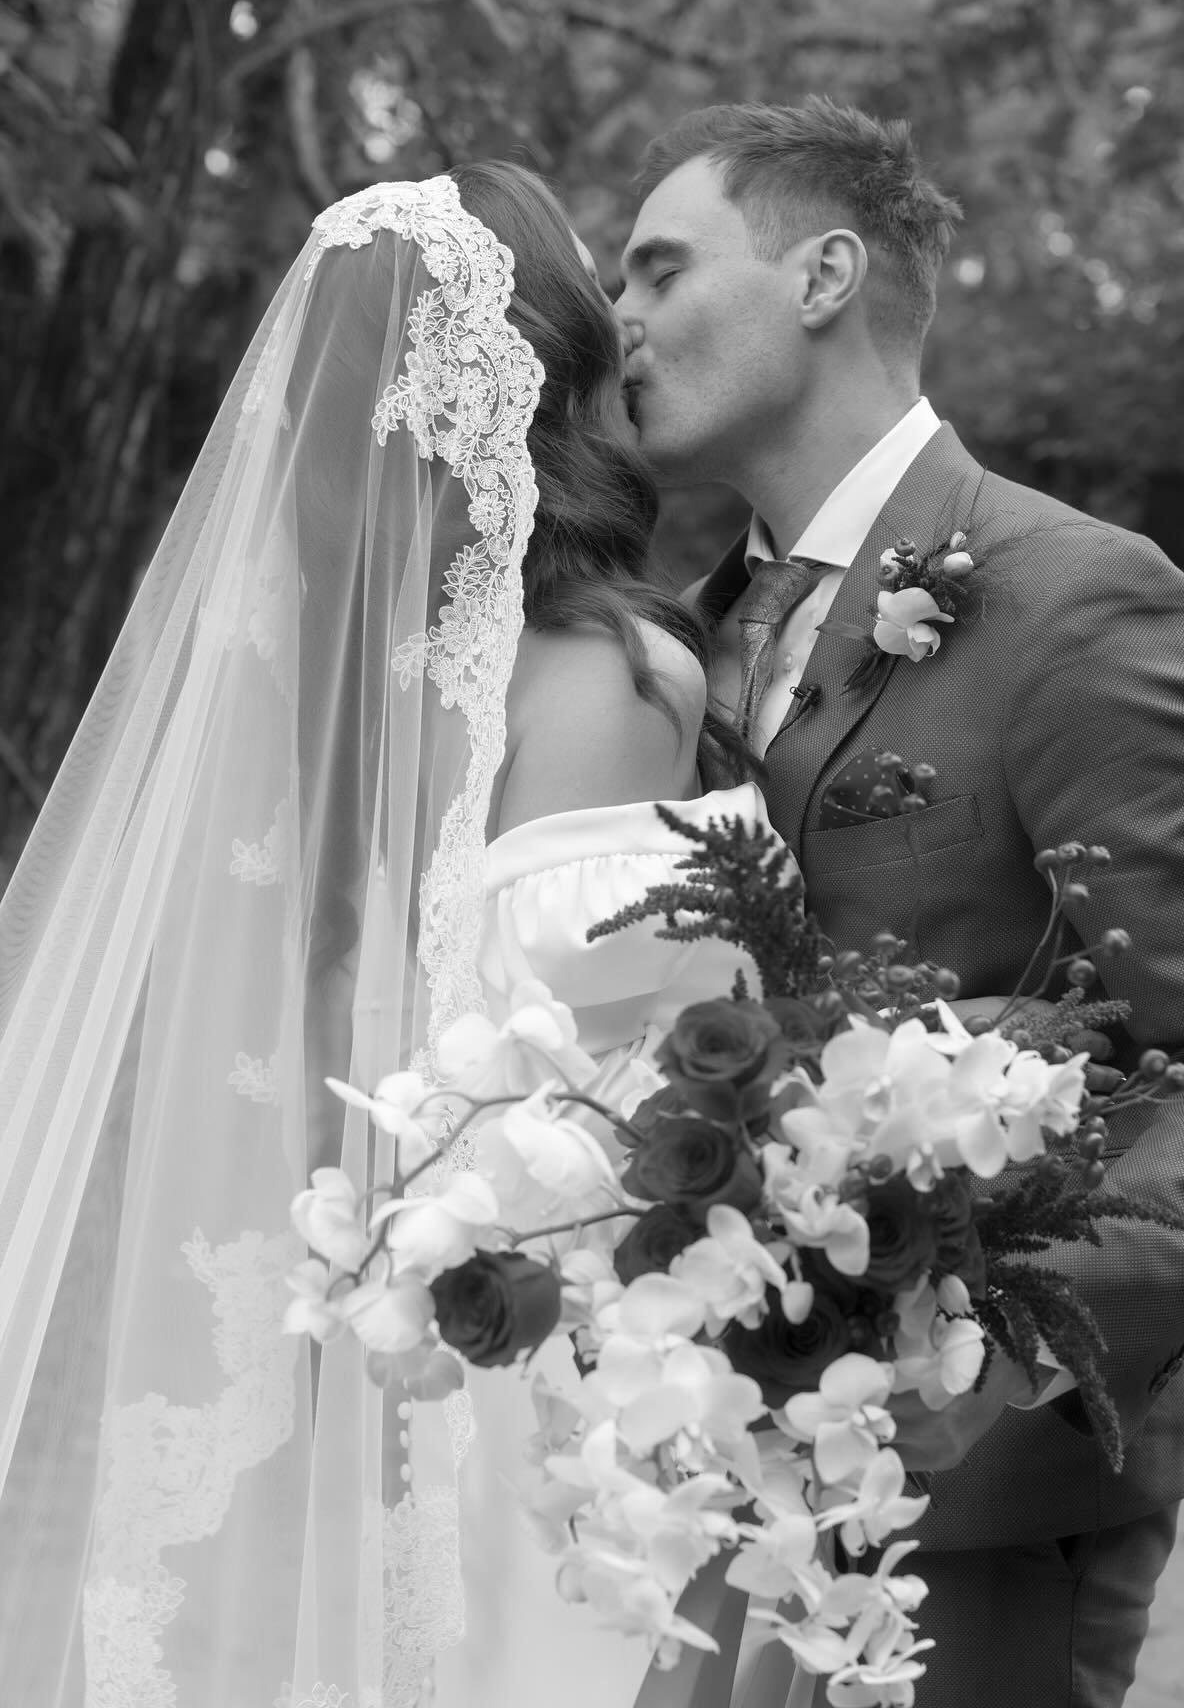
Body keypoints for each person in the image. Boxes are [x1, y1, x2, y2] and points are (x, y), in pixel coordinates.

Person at [613, 97, 1184, 1708]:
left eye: (659, 269)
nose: (619, 320)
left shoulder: (1077, 599)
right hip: (699, 1477)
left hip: (985, 1501)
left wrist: (998, 1341)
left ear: (824, 275)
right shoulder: (669, 648)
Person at [0, 161, 767, 1707]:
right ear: (546, 372)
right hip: (578, 1365)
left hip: (406, 1319)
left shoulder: (339, 708)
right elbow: (612, 1057)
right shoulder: (618, 680)